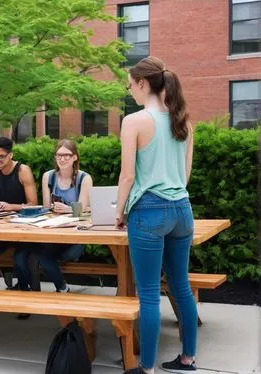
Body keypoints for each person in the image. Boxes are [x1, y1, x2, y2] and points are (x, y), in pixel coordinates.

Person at [115, 57, 196, 374]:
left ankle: (146, 368)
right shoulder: (184, 122)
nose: (129, 90)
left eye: (129, 84)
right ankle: (187, 359)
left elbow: (127, 177)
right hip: (182, 210)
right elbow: (185, 176)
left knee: (148, 293)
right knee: (181, 287)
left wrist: (120, 212)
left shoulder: (134, 122)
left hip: (148, 211)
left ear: (142, 83)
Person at [0, 137, 38, 291]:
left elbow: (33, 204)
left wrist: (10, 206)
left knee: (20, 259)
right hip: (1, 229)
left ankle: (24, 293)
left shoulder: (22, 171)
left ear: (11, 155)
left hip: (23, 229)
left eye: (1, 157)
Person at [39, 139, 92, 292]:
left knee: (45, 258)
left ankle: (62, 289)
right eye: (58, 155)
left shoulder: (84, 178)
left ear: (75, 157)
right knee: (27, 253)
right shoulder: (48, 177)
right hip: (51, 231)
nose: (62, 159)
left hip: (74, 236)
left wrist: (67, 209)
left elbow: (83, 209)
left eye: (67, 155)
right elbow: (46, 208)